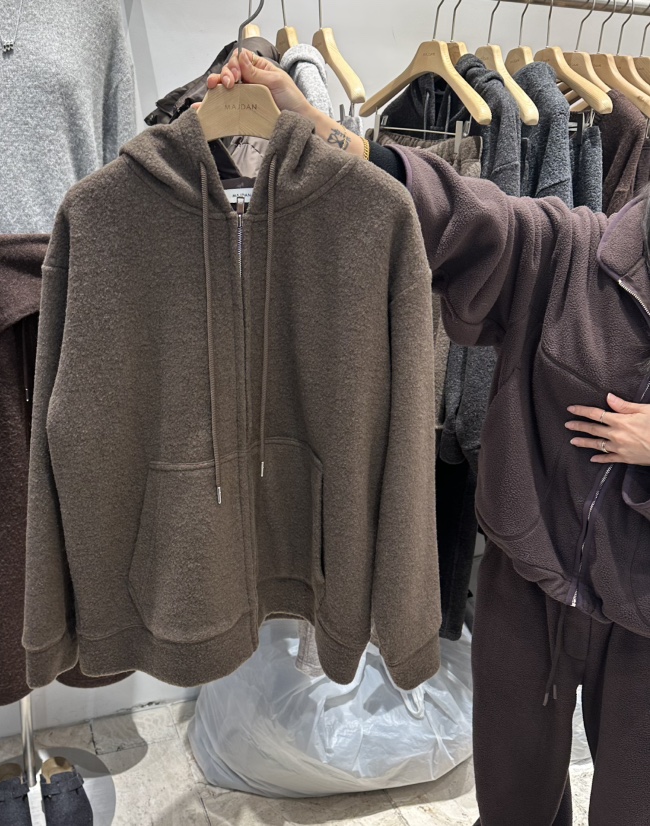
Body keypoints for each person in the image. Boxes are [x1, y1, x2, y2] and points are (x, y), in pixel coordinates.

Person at [204, 50, 650, 826]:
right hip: (529, 586)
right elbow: (449, 210)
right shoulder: (573, 253)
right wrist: (305, 125)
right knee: (512, 805)